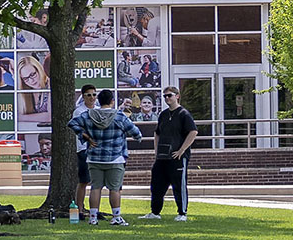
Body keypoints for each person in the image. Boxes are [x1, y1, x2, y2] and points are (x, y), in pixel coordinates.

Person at [68, 89, 142, 226]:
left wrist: (86, 136)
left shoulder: (89, 115)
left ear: (98, 101)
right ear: (112, 101)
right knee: (114, 189)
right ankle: (116, 217)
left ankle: (93, 218)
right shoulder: (119, 116)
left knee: (95, 188)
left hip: (94, 157)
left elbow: (72, 123)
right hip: (115, 158)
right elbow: (136, 133)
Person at [140, 86, 198, 222]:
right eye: (165, 96)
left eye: (169, 95)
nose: (167, 98)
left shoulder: (183, 114)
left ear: (177, 96)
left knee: (178, 185)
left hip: (177, 157)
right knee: (157, 185)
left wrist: (181, 150)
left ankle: (182, 213)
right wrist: (156, 151)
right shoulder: (164, 114)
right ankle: (155, 212)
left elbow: (193, 132)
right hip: (162, 157)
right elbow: (157, 133)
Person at [72, 84, 97, 218]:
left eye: (94, 94)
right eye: (89, 95)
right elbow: (79, 130)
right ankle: (79, 210)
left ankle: (94, 210)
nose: (92, 97)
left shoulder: (99, 110)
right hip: (84, 149)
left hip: (97, 150)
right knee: (83, 180)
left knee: (96, 182)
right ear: (83, 96)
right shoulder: (79, 111)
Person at [17, 56, 51, 123]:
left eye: (32, 74)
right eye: (26, 79)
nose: (31, 81)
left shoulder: (50, 84)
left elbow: (49, 117)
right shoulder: (25, 91)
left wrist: (20, 117)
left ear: (39, 69)